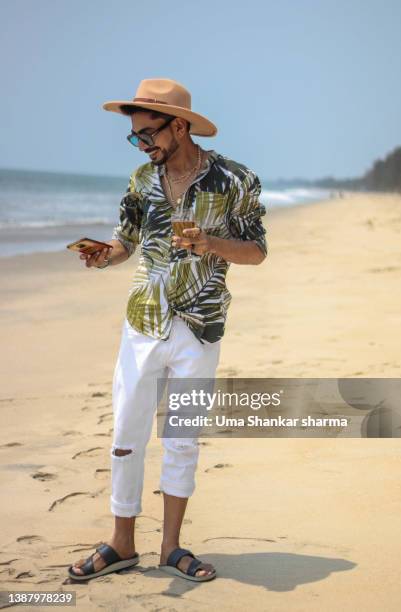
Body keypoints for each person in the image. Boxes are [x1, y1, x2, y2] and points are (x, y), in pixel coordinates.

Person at [67, 78, 268, 582]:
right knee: (125, 433)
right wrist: (102, 257)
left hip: (200, 325)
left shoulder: (235, 180)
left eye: (148, 135)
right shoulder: (140, 180)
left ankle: (171, 548)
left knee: (181, 436)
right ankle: (121, 543)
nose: (142, 146)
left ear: (179, 126)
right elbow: (125, 242)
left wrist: (211, 245)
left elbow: (258, 251)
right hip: (143, 322)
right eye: (135, 138)